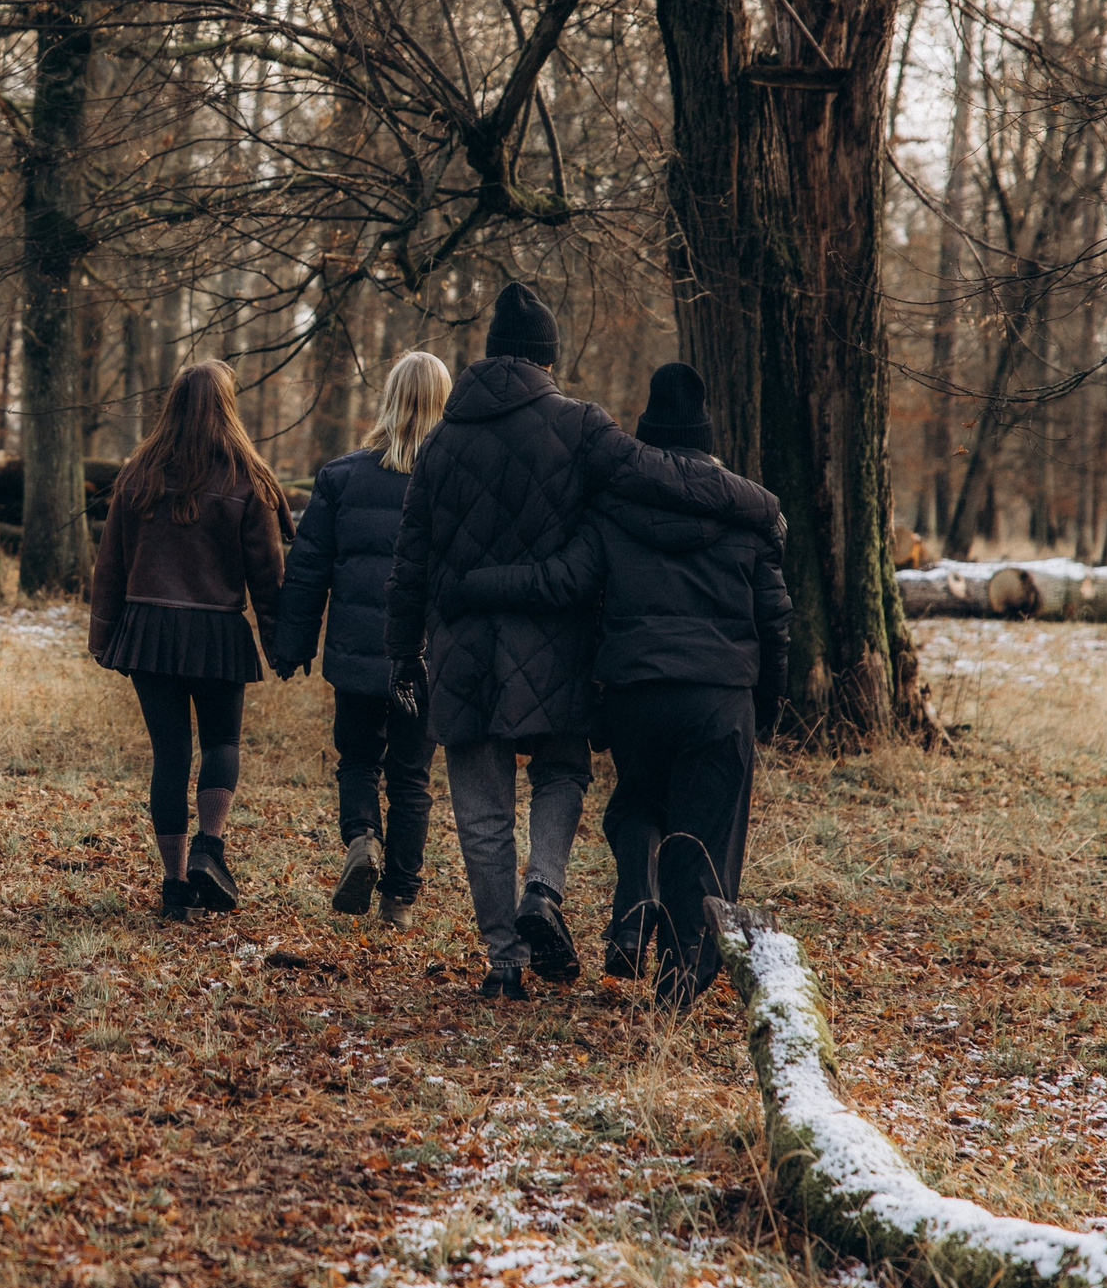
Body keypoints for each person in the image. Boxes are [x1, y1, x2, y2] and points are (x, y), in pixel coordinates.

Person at [383, 283, 778, 1002]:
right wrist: (759, 502)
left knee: (481, 809)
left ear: (491, 355)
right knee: (561, 772)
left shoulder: (439, 442)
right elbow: (664, 473)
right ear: (545, 360)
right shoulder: (578, 425)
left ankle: (503, 963)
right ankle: (544, 888)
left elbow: (410, 561)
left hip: (462, 648)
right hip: (553, 647)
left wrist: (402, 652)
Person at [89, 361, 293, 922]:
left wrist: (103, 635)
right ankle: (210, 848)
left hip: (148, 631)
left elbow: (109, 565)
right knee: (222, 743)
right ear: (228, 407)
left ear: (173, 404)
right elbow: (269, 576)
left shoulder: (138, 473)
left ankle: (176, 886)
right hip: (216, 632)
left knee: (170, 754)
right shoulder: (247, 479)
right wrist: (280, 643)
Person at [272, 350, 453, 929]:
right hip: (425, 659)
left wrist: (292, 643)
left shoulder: (342, 476)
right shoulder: (455, 483)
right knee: (411, 778)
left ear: (390, 399)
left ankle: (362, 840)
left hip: (356, 652)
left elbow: (307, 569)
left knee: (357, 761)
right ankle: (399, 900)